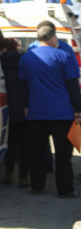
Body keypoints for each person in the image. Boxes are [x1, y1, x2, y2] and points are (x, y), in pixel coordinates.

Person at [19, 20, 81, 198]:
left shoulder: (26, 58)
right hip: (61, 113)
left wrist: (25, 106)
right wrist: (78, 107)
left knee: (36, 152)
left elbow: (23, 86)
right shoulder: (65, 57)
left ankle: (37, 186)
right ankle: (66, 189)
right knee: (63, 156)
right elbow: (73, 87)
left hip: (36, 112)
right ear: (53, 37)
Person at [0, 38, 29, 187]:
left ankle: (8, 174)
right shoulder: (24, 60)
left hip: (6, 108)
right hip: (23, 108)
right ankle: (23, 178)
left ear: (3, 48)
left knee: (10, 144)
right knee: (24, 146)